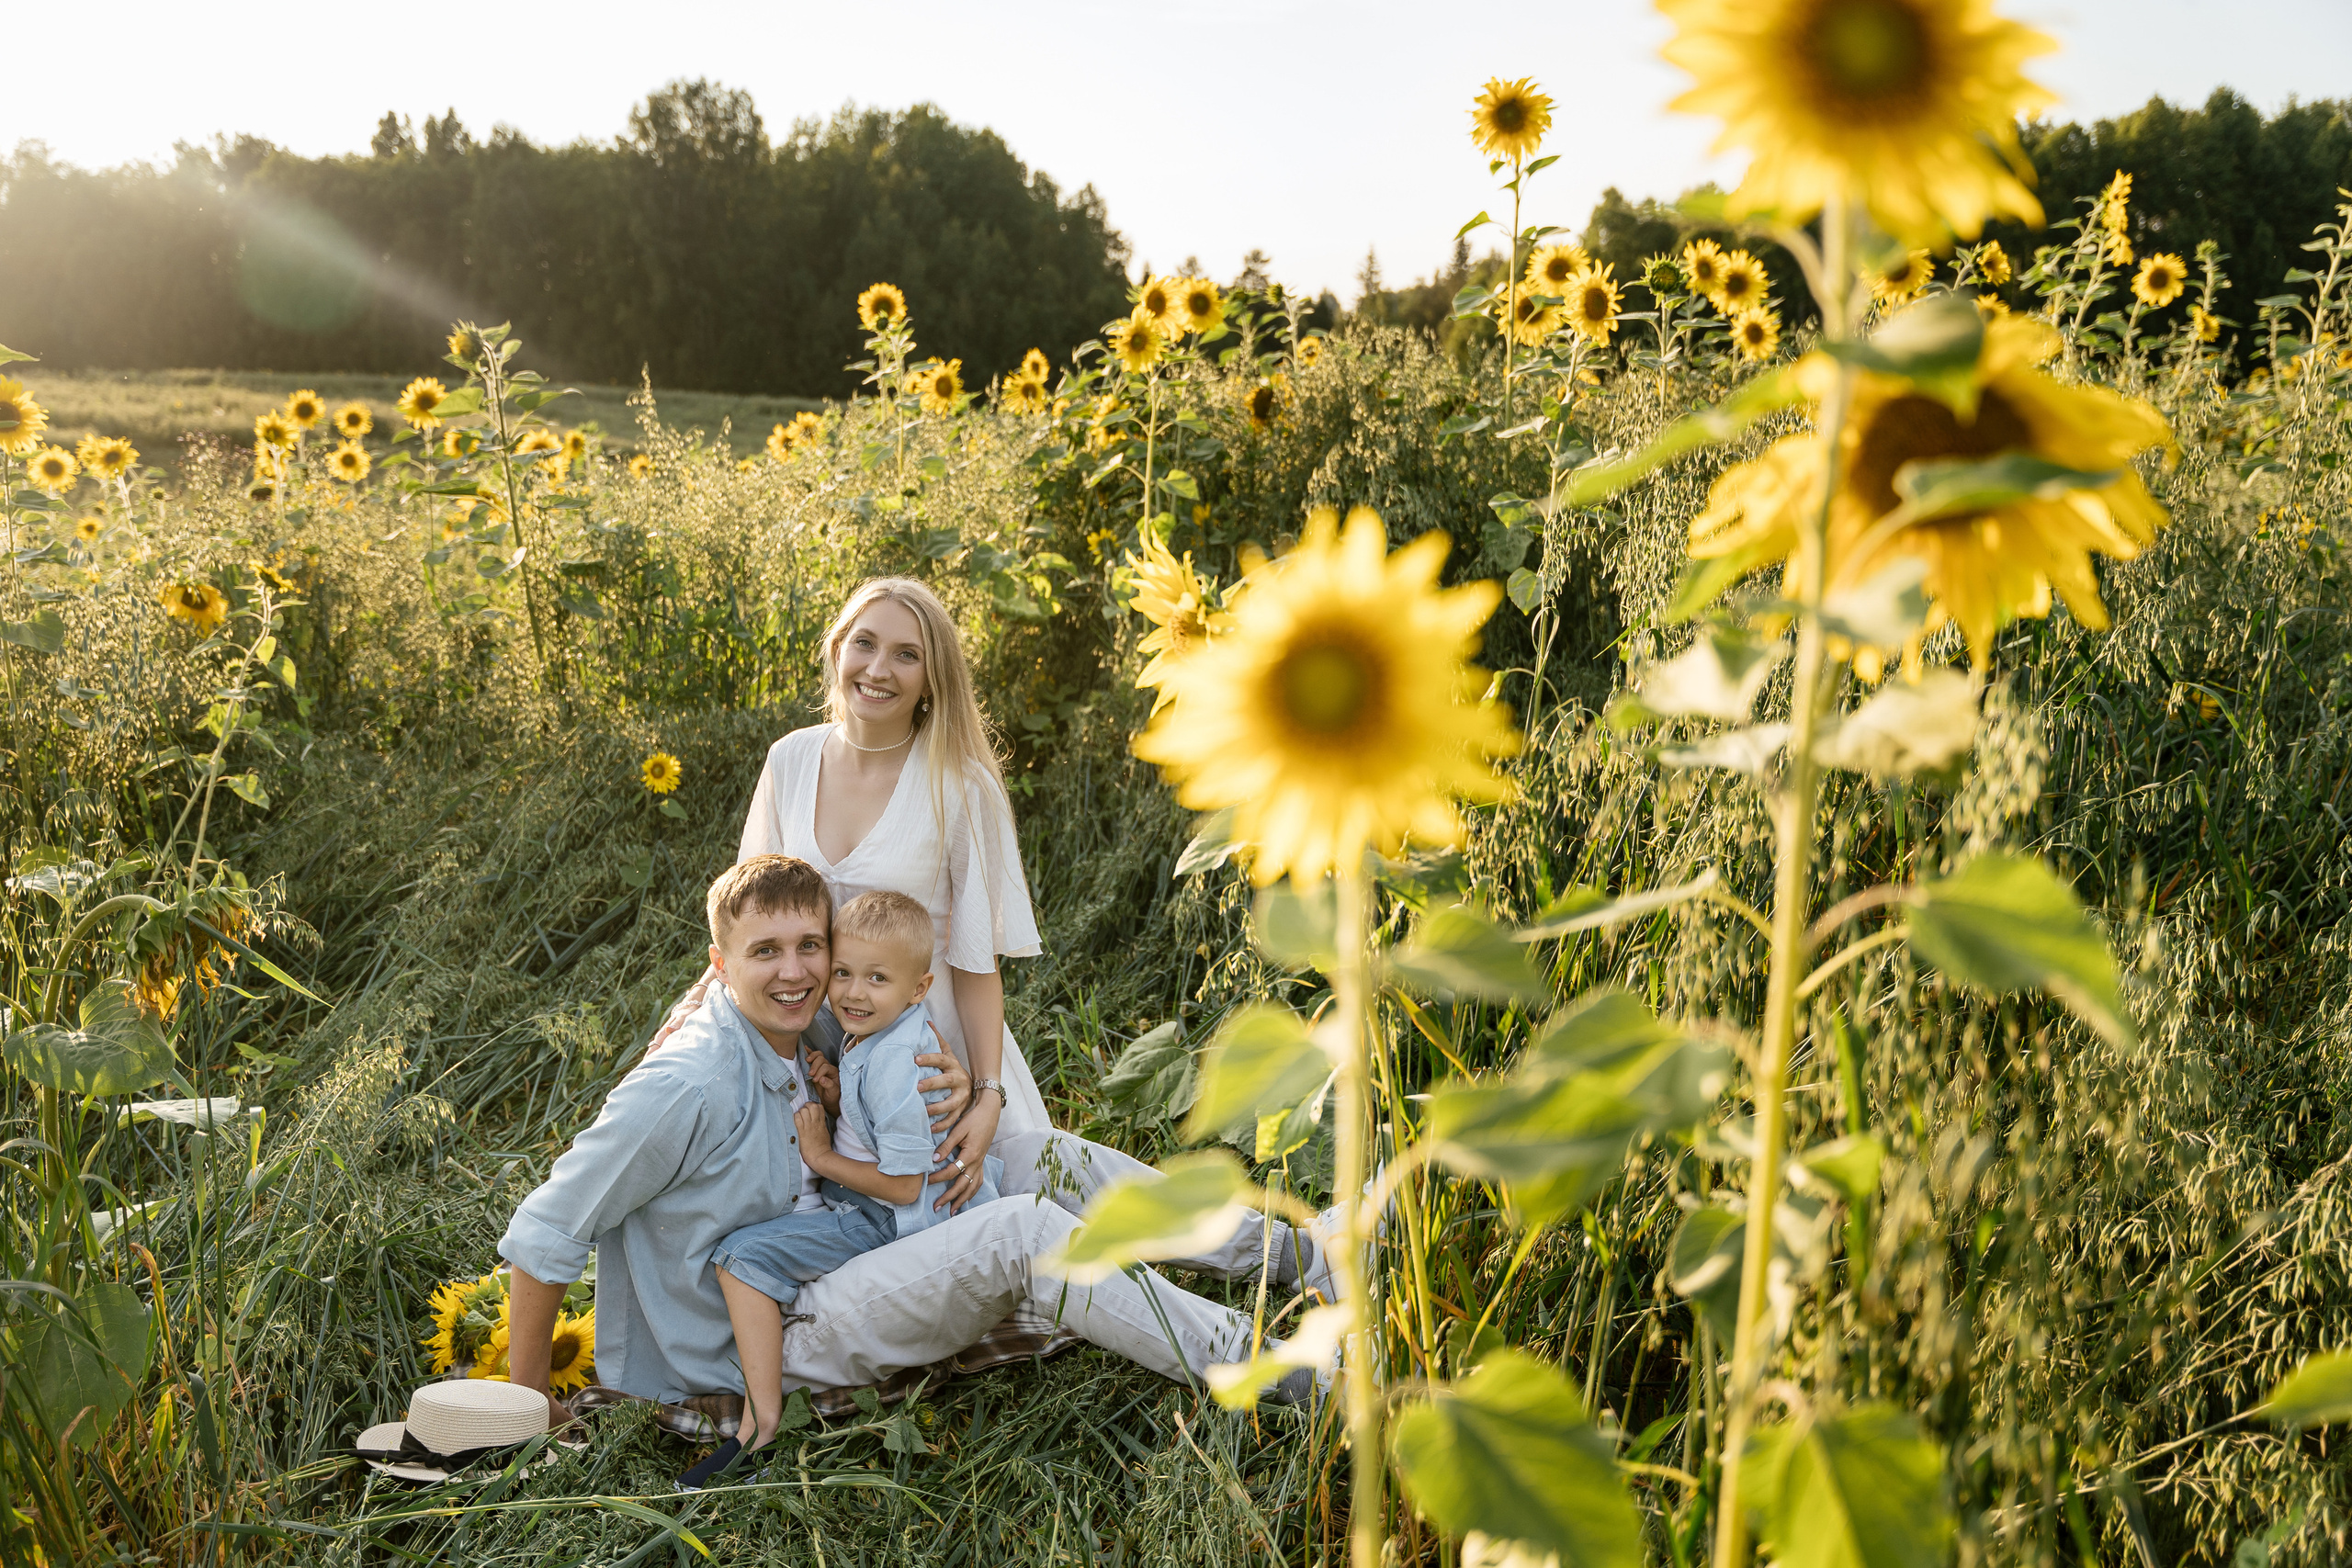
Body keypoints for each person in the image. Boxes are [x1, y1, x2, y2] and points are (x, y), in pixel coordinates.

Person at [498, 854, 1326, 1432]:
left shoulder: (809, 1017)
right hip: (765, 1332)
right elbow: (547, 1230)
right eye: (764, 953)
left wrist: (966, 1090)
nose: (795, 972)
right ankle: (1275, 1368)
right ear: (719, 963)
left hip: (852, 1247)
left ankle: (1297, 1255)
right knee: (1023, 1231)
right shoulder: (686, 1082)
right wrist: (530, 1396)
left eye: (810, 947)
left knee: (1037, 1155)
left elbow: (893, 1056)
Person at [707, 891, 1001, 1471]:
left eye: (876, 978)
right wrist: (841, 1099)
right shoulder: (876, 1035)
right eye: (842, 972)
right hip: (873, 1201)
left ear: (918, 989)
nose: (852, 992)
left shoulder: (898, 1067)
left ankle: (759, 1426)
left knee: (739, 1257)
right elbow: (880, 1131)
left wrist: (819, 1155)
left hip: (893, 1222)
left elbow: (902, 1188)